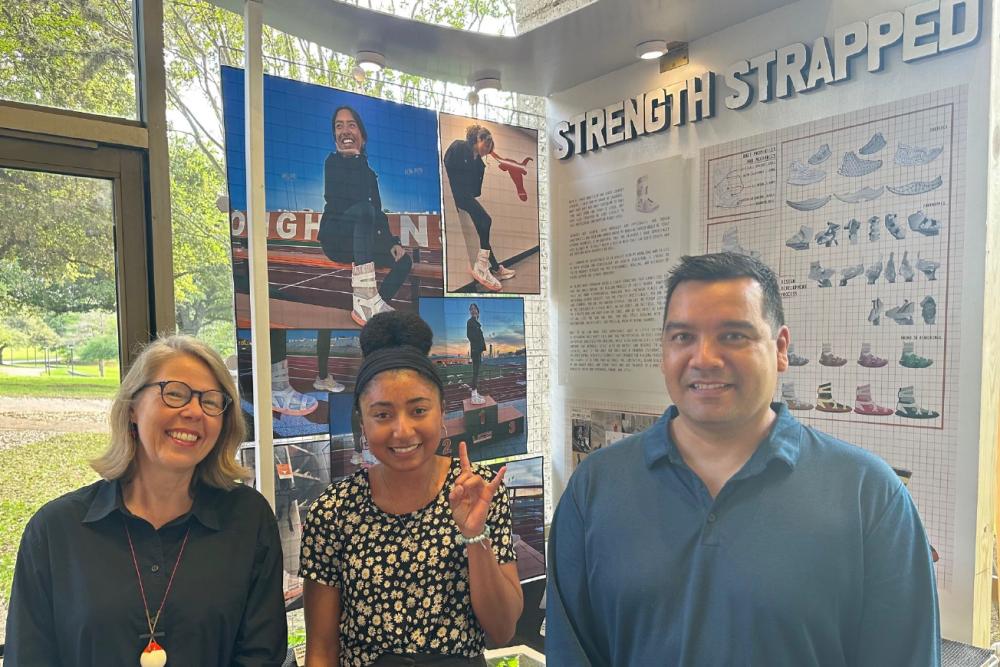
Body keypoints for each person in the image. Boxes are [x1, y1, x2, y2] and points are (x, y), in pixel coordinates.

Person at [546, 252, 940, 666]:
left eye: (733, 336)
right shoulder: (595, 488)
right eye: (682, 337)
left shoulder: (869, 495)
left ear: (781, 348)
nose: (704, 359)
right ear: (663, 350)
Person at [5, 335, 287, 666]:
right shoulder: (55, 531)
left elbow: (261, 655)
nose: (194, 411)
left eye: (211, 401)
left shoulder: (248, 520)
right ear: (132, 408)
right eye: (175, 394)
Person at [300, 311, 523, 666]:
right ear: (362, 421)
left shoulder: (477, 491)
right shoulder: (333, 511)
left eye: (418, 410)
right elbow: (322, 650)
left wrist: (474, 536)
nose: (402, 431)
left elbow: (503, 629)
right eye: (383, 415)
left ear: (441, 411)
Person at [317, 105, 413, 326]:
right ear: (335, 136)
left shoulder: (368, 172)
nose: (345, 130)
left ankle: (374, 303)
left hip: (363, 241)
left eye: (351, 125)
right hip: (338, 237)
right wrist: (354, 160)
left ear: (362, 135)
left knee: (404, 261)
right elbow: (341, 201)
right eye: (339, 126)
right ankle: (363, 302)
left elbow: (377, 213)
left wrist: (392, 242)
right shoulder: (332, 163)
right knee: (363, 210)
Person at [444, 124, 516, 292]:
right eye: (486, 145)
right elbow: (445, 170)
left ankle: (495, 268)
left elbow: (475, 190)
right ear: (478, 139)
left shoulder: (479, 163)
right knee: (486, 220)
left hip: (464, 196)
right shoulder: (459, 147)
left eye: (489, 148)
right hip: (456, 195)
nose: (487, 150)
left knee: (483, 230)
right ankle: (482, 267)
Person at [467, 302, 487, 405]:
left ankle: (475, 392)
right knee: (475, 372)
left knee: (477, 372)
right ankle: (474, 395)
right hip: (475, 351)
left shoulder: (475, 323)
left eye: (475, 309)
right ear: (470, 312)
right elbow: (470, 336)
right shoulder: (470, 322)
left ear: (478, 311)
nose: (473, 310)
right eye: (471, 309)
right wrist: (478, 347)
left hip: (477, 350)